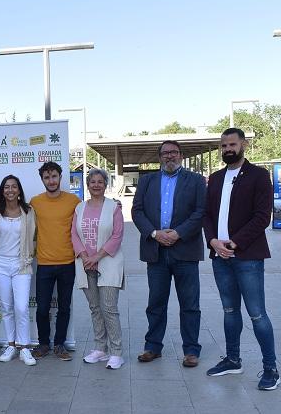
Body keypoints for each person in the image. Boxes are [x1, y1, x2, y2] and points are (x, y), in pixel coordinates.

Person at [203, 128, 279, 390]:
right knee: (229, 311)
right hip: (219, 256)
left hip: (247, 256)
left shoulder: (258, 175)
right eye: (223, 145)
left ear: (243, 144)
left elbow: (262, 217)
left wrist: (234, 243)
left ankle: (270, 368)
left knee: (257, 314)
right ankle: (233, 360)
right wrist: (213, 241)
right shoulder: (215, 178)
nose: (227, 149)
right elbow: (206, 215)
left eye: (232, 144)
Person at [131, 140, 206, 368]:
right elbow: (137, 210)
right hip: (157, 251)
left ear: (181, 155)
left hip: (185, 250)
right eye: (165, 153)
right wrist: (154, 233)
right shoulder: (147, 181)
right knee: (156, 303)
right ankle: (153, 346)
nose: (169, 157)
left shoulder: (195, 180)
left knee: (190, 304)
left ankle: (191, 350)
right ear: (160, 157)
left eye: (173, 152)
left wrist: (178, 233)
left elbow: (201, 211)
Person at [71, 169, 125, 369]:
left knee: (109, 309)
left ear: (105, 184)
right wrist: (85, 256)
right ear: (87, 184)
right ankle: (100, 348)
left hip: (108, 263)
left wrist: (97, 256)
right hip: (85, 264)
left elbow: (117, 235)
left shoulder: (113, 208)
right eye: (92, 182)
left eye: (100, 182)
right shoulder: (79, 208)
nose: (96, 185)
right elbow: (74, 235)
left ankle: (116, 352)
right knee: (95, 309)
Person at [30, 161, 80, 361]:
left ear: (60, 177)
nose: (51, 181)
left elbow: (90, 216)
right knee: (42, 308)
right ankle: (43, 344)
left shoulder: (74, 201)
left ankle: (59, 345)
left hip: (68, 262)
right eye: (46, 177)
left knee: (64, 307)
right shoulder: (35, 202)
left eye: (54, 176)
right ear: (42, 179)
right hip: (44, 263)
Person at [0, 175, 37, 366]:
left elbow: (34, 235)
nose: (10, 190)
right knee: (7, 308)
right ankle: (10, 345)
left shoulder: (28, 211)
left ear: (19, 190)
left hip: (21, 264)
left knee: (22, 307)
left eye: (14, 187)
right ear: (2, 190)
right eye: (6, 187)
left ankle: (25, 347)